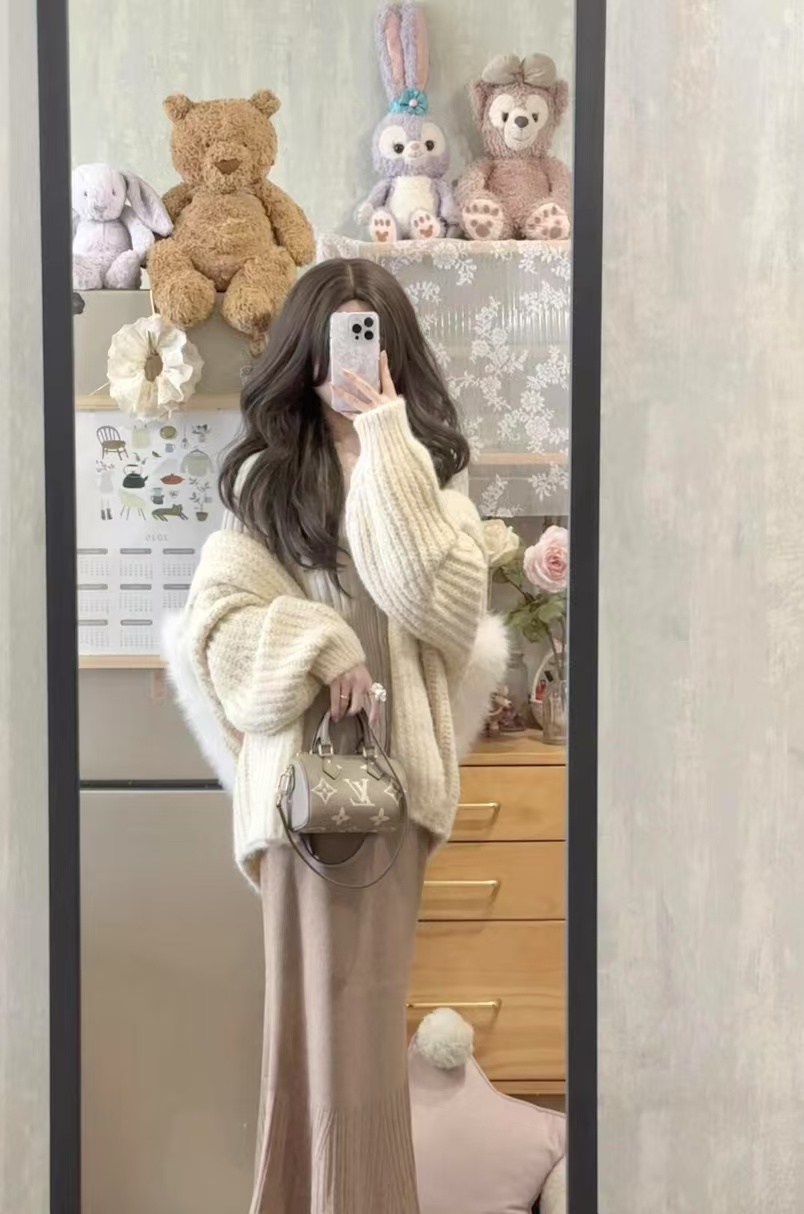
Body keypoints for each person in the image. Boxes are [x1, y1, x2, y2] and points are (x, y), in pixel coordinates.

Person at [174, 258, 505, 1213]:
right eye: (334, 338)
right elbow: (218, 634)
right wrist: (323, 644)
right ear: (303, 350)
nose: (348, 360)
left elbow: (438, 605)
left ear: (395, 354)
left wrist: (385, 439)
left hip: (391, 798)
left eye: (370, 338)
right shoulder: (266, 489)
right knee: (309, 1037)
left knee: (362, 1033)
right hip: (301, 801)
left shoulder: (427, 480)